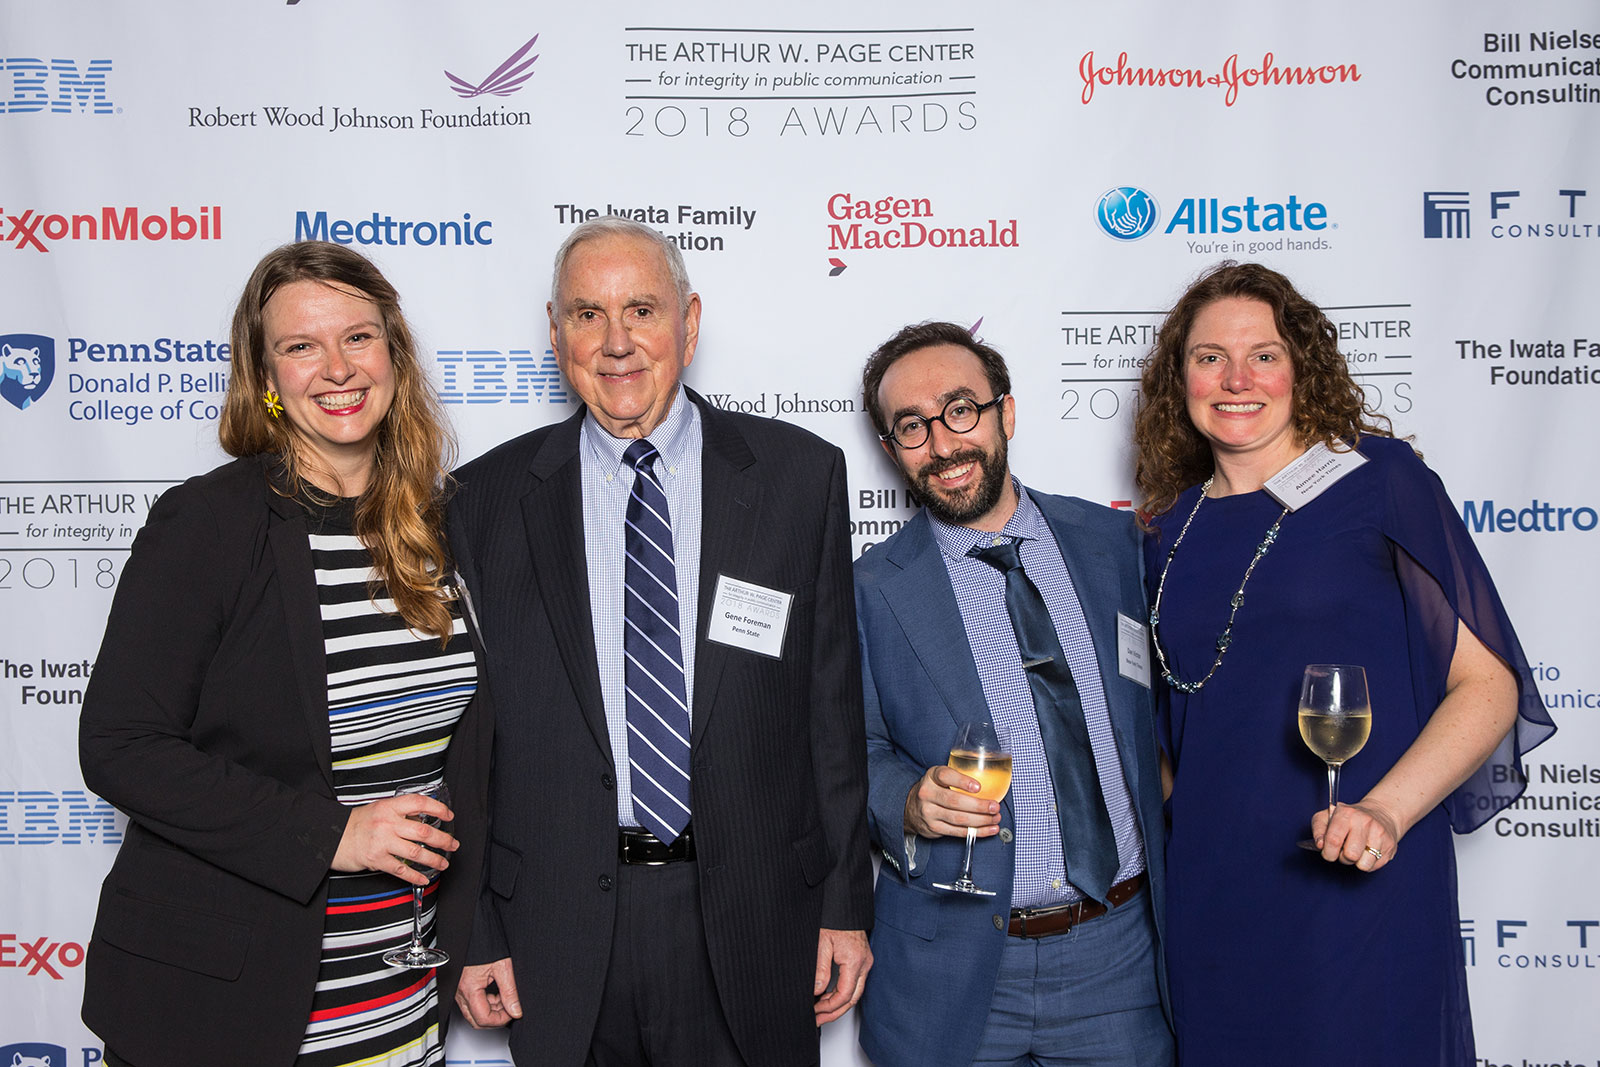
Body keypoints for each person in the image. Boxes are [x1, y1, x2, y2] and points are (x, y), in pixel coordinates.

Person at [448, 217, 874, 1066]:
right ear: (555, 328)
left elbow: (830, 715)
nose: (616, 343)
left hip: (756, 915)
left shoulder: (798, 477)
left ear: (690, 319)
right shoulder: (481, 498)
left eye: (641, 308)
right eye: (586, 314)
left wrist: (843, 902)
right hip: (558, 927)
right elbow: (467, 735)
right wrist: (473, 923)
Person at [78, 241, 491, 1067]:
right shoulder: (210, 524)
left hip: (399, 990)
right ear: (264, 374)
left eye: (358, 337)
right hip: (230, 1003)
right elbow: (119, 745)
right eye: (301, 346)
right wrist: (330, 835)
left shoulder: (446, 523)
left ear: (394, 355)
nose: (336, 367)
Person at [1132, 261, 1555, 1067]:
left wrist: (1387, 811)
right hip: (1213, 892)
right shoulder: (1166, 530)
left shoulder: (1382, 481)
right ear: (1178, 378)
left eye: (1264, 353)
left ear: (1302, 367)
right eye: (1209, 356)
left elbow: (1489, 684)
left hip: (1358, 875)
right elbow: (1172, 730)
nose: (1236, 378)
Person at [854, 321, 1172, 1067]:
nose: (943, 442)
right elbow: (847, 752)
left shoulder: (1115, 546)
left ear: (1007, 412)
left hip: (1120, 954)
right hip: (954, 966)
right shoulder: (868, 589)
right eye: (912, 426)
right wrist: (905, 797)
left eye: (961, 409)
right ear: (892, 448)